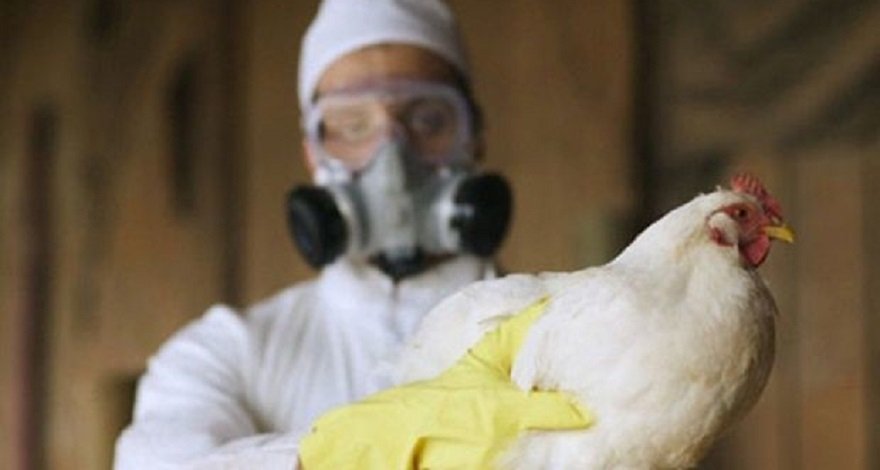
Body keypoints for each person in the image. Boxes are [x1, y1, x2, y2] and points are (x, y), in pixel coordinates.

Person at [115, 1, 586, 468]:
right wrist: (352, 447)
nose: (392, 161)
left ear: (474, 136)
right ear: (312, 153)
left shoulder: (569, 343)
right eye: (353, 126)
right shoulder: (224, 353)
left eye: (428, 120)